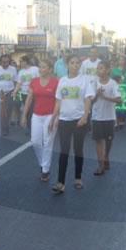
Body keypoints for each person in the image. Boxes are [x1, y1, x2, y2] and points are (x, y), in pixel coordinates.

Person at [50, 55, 94, 193]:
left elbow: (88, 99)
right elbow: (58, 101)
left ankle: (78, 178)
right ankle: (60, 182)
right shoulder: (62, 80)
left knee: (78, 149)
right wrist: (53, 118)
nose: (75, 65)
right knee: (64, 151)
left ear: (80, 65)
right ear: (67, 65)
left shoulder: (85, 80)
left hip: (79, 120)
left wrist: (85, 117)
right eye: (72, 63)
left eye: (77, 63)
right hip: (64, 120)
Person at [21, 59, 59, 182]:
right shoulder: (34, 81)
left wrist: (55, 118)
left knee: (48, 142)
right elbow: (29, 99)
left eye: (43, 67)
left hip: (50, 115)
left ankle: (45, 171)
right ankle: (43, 164)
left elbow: (59, 102)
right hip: (36, 115)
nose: (41, 69)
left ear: (50, 69)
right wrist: (24, 115)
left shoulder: (56, 82)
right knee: (35, 142)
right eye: (40, 67)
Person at [91, 61, 121, 176]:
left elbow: (119, 100)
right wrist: (97, 96)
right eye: (98, 68)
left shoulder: (113, 83)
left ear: (108, 70)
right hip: (97, 117)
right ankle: (100, 165)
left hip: (109, 116)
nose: (99, 70)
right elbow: (91, 101)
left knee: (108, 140)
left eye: (102, 68)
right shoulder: (93, 82)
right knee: (98, 141)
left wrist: (105, 97)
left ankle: (106, 156)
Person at [0, 54, 18, 136]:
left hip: (10, 92)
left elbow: (15, 81)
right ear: (0, 62)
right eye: (3, 62)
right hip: (0, 94)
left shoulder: (13, 69)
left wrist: (15, 92)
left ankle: (5, 126)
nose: (5, 63)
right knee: (2, 112)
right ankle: (4, 128)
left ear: (9, 62)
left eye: (7, 62)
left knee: (8, 111)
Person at [13, 55, 39, 128]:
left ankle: (32, 127)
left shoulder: (35, 69)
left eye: (21, 62)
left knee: (31, 110)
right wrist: (15, 91)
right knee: (26, 110)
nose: (20, 63)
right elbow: (19, 83)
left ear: (26, 62)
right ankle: (29, 126)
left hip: (33, 94)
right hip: (24, 94)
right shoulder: (21, 71)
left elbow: (39, 80)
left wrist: (35, 88)